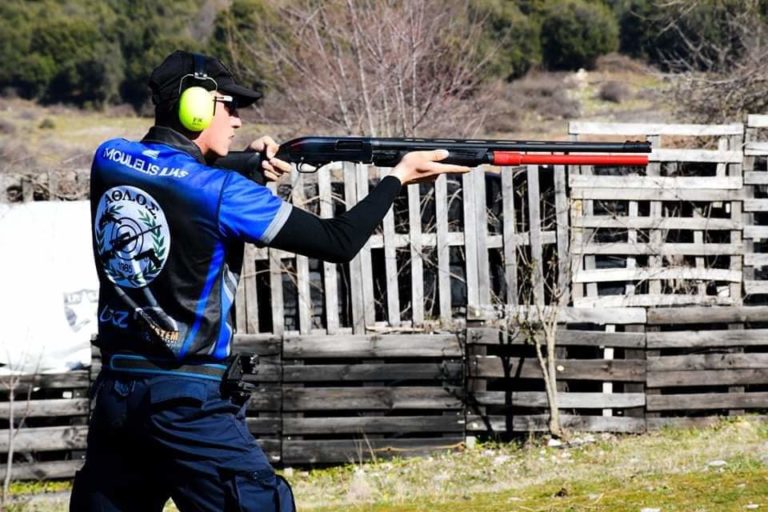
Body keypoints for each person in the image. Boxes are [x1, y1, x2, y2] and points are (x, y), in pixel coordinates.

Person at [69, 50, 469, 512]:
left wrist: (245, 164)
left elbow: (172, 171)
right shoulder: (222, 192)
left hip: (118, 396)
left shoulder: (111, 159)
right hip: (186, 401)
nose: (237, 120)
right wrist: (396, 179)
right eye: (228, 105)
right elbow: (338, 242)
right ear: (194, 106)